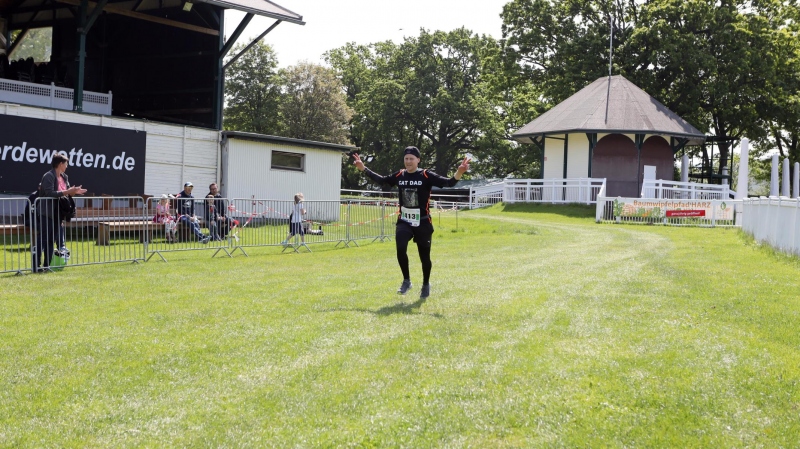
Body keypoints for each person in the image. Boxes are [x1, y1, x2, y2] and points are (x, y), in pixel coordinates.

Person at [353, 146, 469, 298]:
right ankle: (406, 281)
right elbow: (382, 180)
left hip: (423, 222)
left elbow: (449, 183)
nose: (408, 161)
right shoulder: (400, 175)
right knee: (401, 247)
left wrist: (459, 172)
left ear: (418, 160)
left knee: (424, 257)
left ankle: (426, 284)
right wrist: (363, 169)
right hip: (405, 221)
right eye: (406, 159)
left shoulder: (426, 175)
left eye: (411, 159)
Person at [36, 153, 86, 272]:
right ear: (60, 164)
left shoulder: (64, 177)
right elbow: (50, 193)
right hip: (46, 213)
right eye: (66, 163)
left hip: (57, 214)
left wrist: (74, 192)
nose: (67, 166)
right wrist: (68, 191)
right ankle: (36, 266)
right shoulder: (48, 176)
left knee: (51, 241)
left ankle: (46, 266)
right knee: (43, 240)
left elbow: (66, 194)